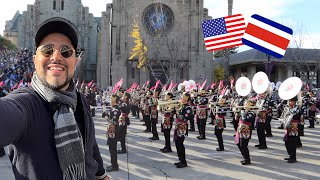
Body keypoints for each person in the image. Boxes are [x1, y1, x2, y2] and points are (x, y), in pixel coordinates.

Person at [0, 20, 109, 180]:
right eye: (47, 50)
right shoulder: (27, 103)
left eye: (66, 51)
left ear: (75, 61)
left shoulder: (79, 99)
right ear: (35, 59)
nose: (56, 56)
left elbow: (90, 145)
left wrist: (101, 174)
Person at [173, 92, 193, 168]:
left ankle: (183, 162)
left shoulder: (188, 107)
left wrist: (178, 110)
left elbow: (186, 117)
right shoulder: (181, 105)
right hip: (178, 125)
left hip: (182, 126)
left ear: (187, 97)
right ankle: (180, 159)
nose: (182, 96)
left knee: (180, 144)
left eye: (183, 95)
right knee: (177, 143)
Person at [103, 94, 121, 172]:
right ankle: (113, 164)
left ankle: (114, 166)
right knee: (112, 149)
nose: (110, 101)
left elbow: (114, 123)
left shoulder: (115, 111)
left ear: (114, 101)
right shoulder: (114, 109)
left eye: (111, 100)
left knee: (112, 149)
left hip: (113, 132)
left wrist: (106, 117)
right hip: (112, 132)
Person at [235, 99, 256, 165]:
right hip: (241, 129)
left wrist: (243, 111)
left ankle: (247, 159)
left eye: (247, 103)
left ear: (251, 105)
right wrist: (236, 112)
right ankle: (245, 156)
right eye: (245, 103)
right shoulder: (244, 111)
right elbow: (236, 119)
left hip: (246, 130)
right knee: (239, 144)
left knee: (243, 145)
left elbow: (245, 119)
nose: (245, 104)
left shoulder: (252, 113)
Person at [283, 96, 301, 163]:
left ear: (294, 102)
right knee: (286, 142)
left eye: (291, 101)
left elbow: (299, 118)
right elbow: (283, 116)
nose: (290, 102)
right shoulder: (287, 108)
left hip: (294, 128)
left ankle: (293, 157)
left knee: (292, 143)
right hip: (287, 127)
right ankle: (290, 155)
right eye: (289, 101)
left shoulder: (297, 109)